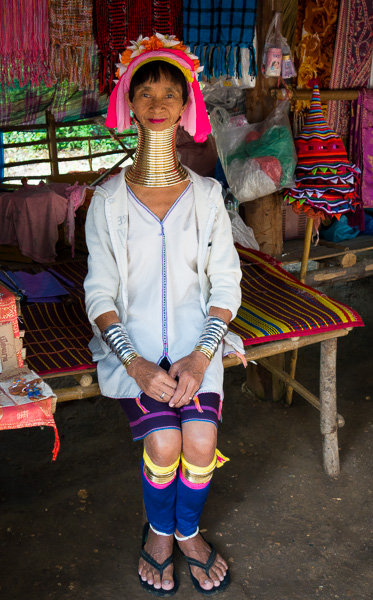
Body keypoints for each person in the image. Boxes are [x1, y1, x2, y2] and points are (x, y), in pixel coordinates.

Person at [84, 33, 242, 596]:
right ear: (128, 103)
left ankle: (188, 531)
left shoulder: (204, 195)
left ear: (185, 107)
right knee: (165, 445)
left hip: (201, 347)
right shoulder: (106, 201)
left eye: (168, 93)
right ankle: (160, 533)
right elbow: (99, 294)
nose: (156, 103)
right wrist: (138, 365)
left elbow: (226, 282)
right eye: (144, 91)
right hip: (136, 352)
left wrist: (201, 358)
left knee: (199, 445)